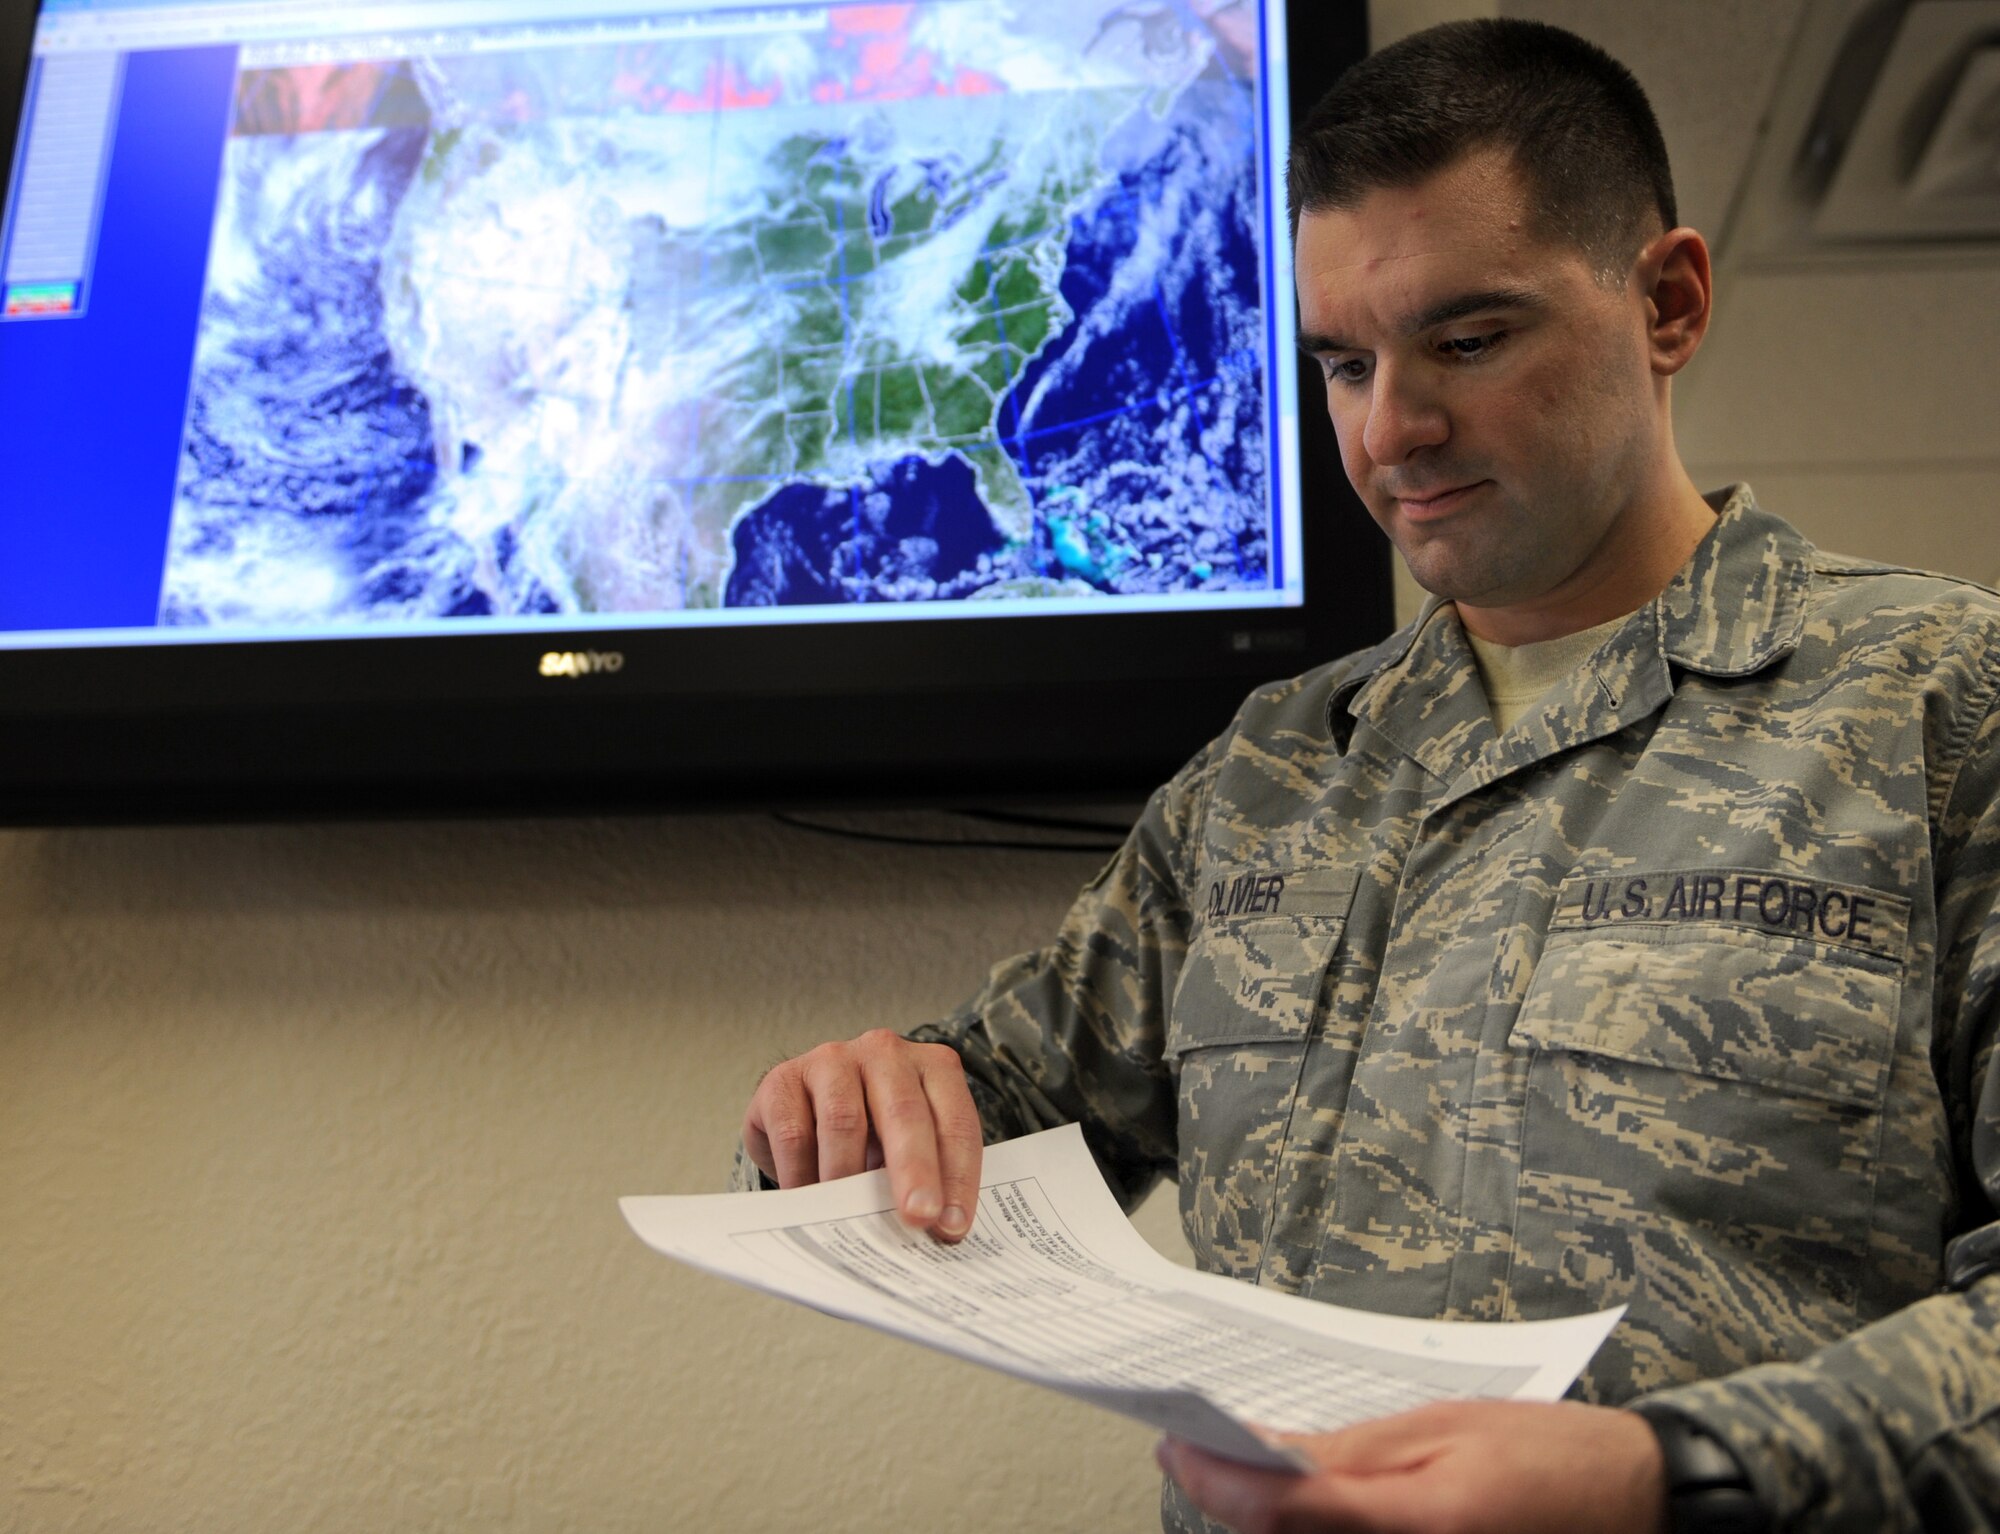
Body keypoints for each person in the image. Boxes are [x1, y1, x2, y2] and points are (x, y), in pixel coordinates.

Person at [741, 19, 2000, 1533]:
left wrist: (1667, 1472)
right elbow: (988, 1108)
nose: (1389, 430)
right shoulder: (1270, 773)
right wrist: (858, 1111)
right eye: (1343, 362)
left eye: (1469, 341)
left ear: (1667, 303)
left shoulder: (1937, 702)